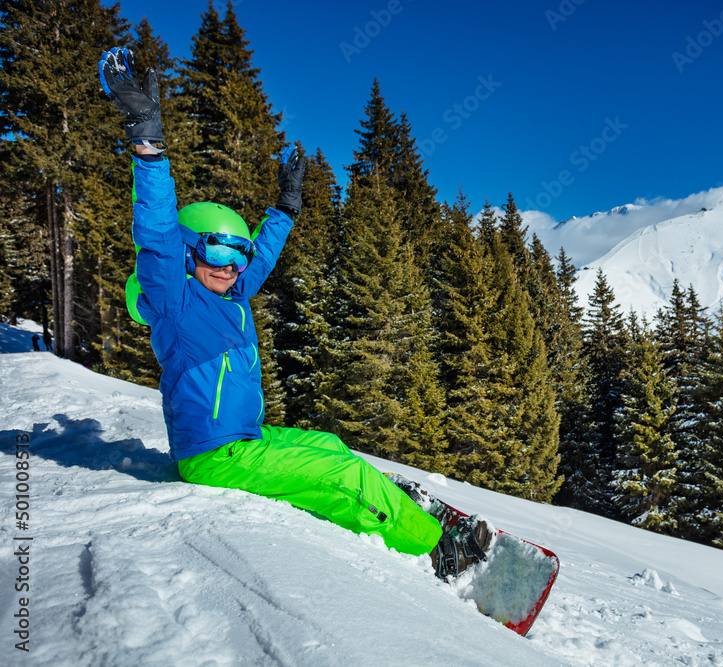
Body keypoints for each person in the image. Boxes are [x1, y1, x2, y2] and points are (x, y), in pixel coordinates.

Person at [98, 46, 490, 579]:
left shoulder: (230, 294)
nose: (231, 265)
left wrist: (284, 208)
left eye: (236, 255)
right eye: (217, 251)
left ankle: (387, 498)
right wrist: (148, 141)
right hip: (215, 458)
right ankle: (436, 546)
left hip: (246, 440)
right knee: (337, 478)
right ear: (188, 255)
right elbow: (156, 231)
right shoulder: (177, 301)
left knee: (329, 445)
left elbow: (261, 257)